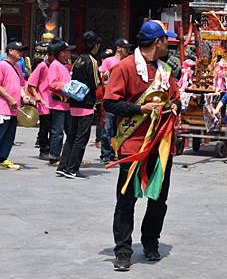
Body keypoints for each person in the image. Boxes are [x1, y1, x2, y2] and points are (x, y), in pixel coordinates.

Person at [103, 20, 180, 271]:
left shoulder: (165, 71)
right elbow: (110, 103)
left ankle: (150, 242)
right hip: (133, 144)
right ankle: (123, 250)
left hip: (162, 144)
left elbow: (175, 98)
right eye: (166, 40)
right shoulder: (124, 67)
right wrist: (140, 108)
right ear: (157, 42)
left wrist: (175, 106)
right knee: (126, 199)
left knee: (159, 197)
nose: (168, 44)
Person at [56, 32, 101, 179]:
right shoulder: (92, 61)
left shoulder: (78, 59)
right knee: (81, 138)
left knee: (72, 136)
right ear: (95, 45)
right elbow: (96, 83)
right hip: (86, 103)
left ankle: (63, 166)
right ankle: (73, 168)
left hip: (74, 101)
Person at [99, 39, 133, 163]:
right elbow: (101, 76)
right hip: (110, 98)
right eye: (125, 48)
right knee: (107, 128)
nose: (128, 51)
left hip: (123, 100)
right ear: (118, 48)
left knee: (120, 128)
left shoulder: (128, 63)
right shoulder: (109, 61)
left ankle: (117, 152)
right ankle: (106, 154)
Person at [0, 41, 28, 170]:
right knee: (1, 133)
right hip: (3, 106)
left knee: (9, 136)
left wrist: (24, 96)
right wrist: (9, 98)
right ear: (10, 51)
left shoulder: (17, 67)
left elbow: (22, 85)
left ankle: (3, 158)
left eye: (22, 50)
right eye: (19, 50)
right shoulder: (2, 65)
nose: (21, 53)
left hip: (14, 108)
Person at [47, 41, 76, 165]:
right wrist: (67, 86)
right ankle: (54, 156)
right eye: (67, 51)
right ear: (61, 53)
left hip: (67, 104)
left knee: (70, 131)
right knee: (57, 132)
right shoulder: (55, 65)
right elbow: (52, 84)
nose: (69, 53)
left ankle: (67, 156)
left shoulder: (63, 65)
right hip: (58, 104)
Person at [27, 41, 55, 160]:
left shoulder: (56, 66)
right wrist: (36, 96)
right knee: (45, 126)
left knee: (53, 127)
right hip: (44, 101)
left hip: (55, 101)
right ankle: (43, 149)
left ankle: (50, 148)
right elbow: (31, 83)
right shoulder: (42, 66)